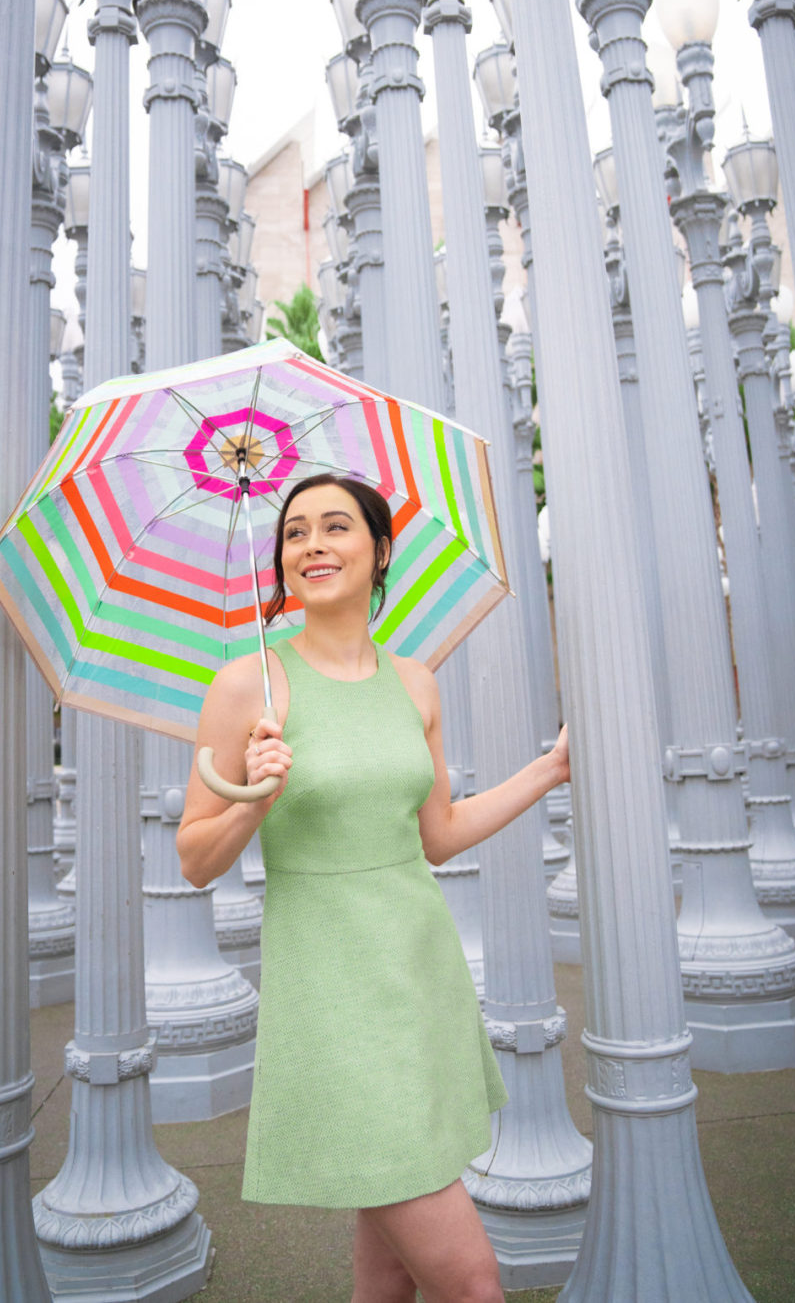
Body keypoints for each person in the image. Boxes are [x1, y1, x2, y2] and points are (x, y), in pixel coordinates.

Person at [177, 473, 570, 1303]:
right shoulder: (249, 684)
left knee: (388, 1275)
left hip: (417, 975)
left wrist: (550, 769)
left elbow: (439, 834)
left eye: (334, 527)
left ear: (380, 550)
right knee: (472, 1281)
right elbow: (195, 858)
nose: (312, 545)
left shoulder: (415, 682)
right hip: (332, 994)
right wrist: (255, 800)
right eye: (294, 534)